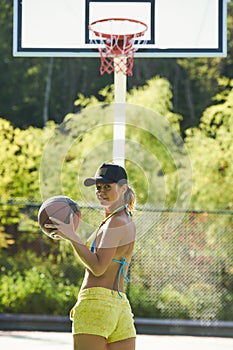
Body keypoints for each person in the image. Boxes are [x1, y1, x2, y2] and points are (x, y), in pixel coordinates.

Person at [46, 163, 137, 350]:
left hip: (96, 304)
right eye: (98, 188)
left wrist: (71, 236)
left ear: (123, 188)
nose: (101, 192)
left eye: (107, 187)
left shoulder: (114, 222)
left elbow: (98, 267)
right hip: (121, 306)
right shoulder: (126, 219)